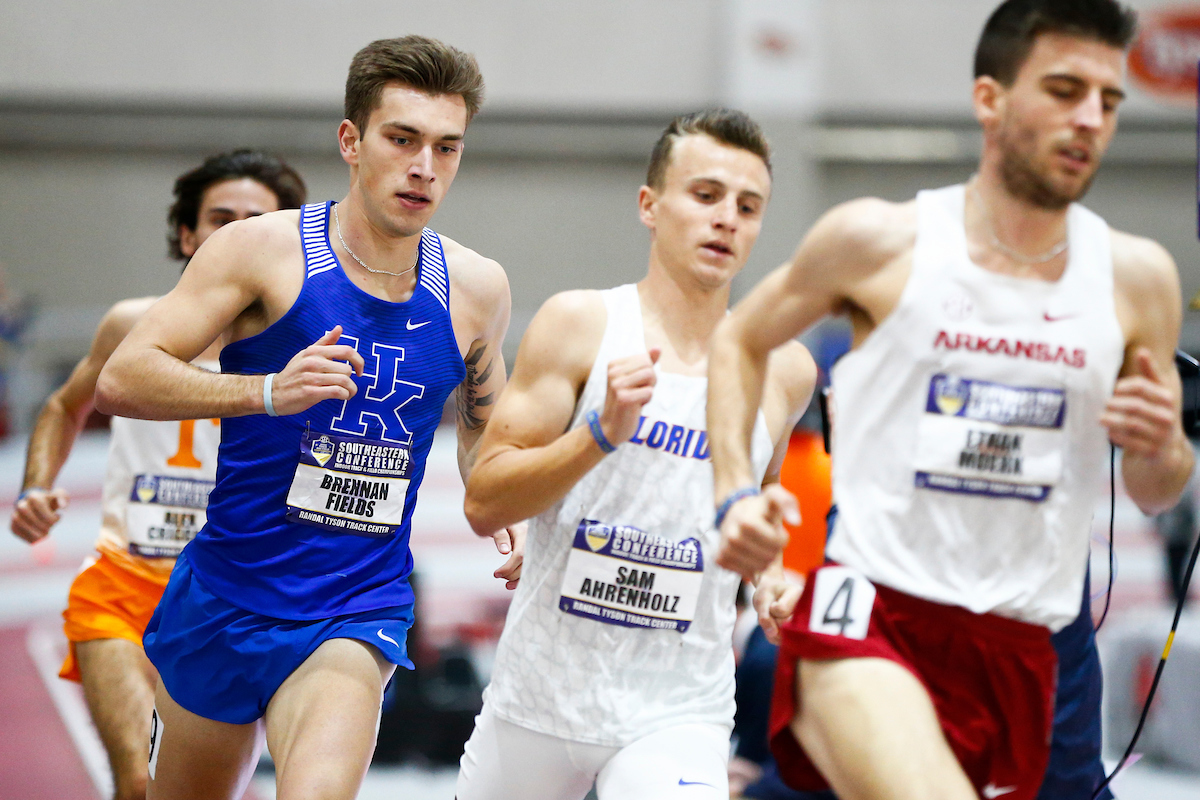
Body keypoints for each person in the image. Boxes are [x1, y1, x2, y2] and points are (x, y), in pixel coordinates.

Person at [706, 2, 1194, 799]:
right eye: (1064, 90)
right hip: (873, 613)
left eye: (1108, 101)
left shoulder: (1136, 278)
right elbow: (740, 340)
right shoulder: (880, 240)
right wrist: (733, 491)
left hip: (1035, 639)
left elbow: (1154, 489)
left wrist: (1160, 445)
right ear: (989, 99)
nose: (1088, 120)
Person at [95, 35, 515, 800]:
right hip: (225, 594)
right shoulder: (259, 251)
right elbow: (124, 378)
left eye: (447, 147)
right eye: (403, 139)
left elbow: (488, 420)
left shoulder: (476, 289)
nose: (425, 165)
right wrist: (263, 392)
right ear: (352, 142)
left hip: (356, 605)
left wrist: (509, 508)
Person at [455, 108, 816, 800]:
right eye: (706, 196)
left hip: (679, 708)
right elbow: (484, 501)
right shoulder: (580, 324)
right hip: (543, 696)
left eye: (748, 206)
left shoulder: (785, 370)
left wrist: (772, 575)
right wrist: (596, 437)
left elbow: (755, 510)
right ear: (650, 205)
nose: (727, 220)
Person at [9, 149, 305, 800]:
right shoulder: (130, 323)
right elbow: (63, 406)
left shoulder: (303, 348)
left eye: (253, 221)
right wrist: (36, 485)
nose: (233, 233)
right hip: (124, 583)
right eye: (219, 218)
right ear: (187, 235)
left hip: (235, 597)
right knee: (137, 783)